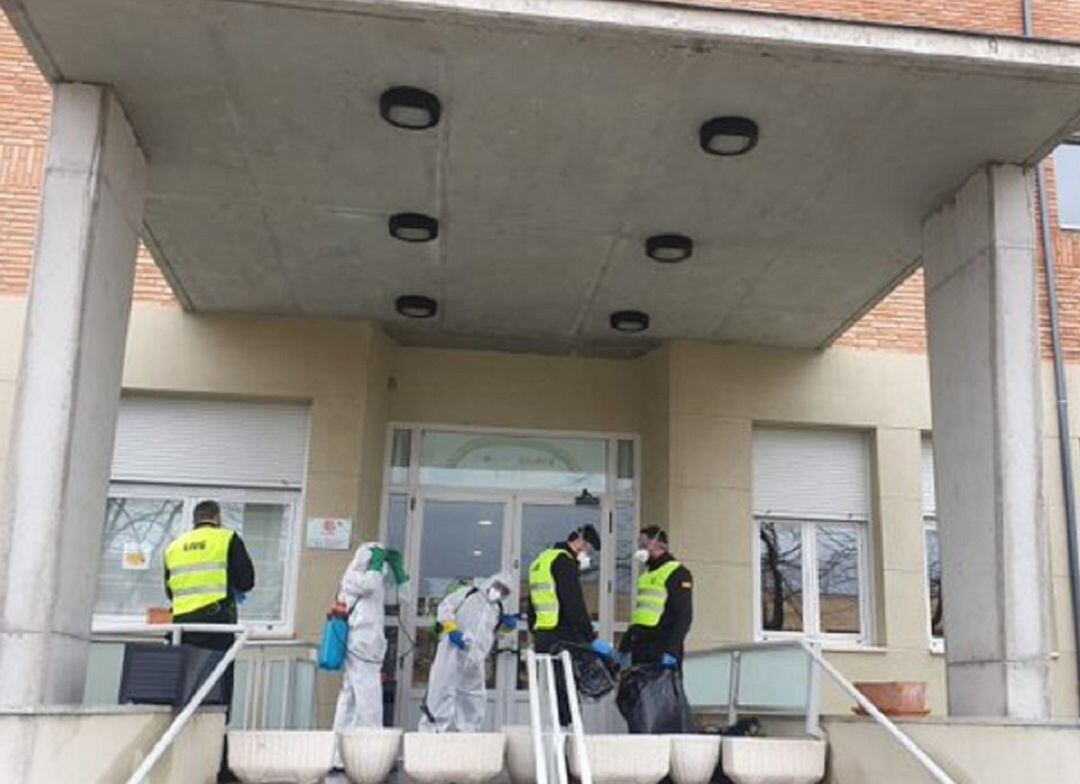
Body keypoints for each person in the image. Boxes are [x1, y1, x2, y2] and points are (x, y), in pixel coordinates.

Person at [164, 499, 255, 783]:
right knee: (219, 691)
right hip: (216, 627)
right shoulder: (227, 538)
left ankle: (183, 760)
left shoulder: (174, 546)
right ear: (217, 517)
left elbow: (170, 591)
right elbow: (247, 580)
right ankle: (215, 763)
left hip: (182, 629)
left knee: (185, 693)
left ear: (195, 519)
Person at [527, 524, 607, 724]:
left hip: (544, 635)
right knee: (569, 686)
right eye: (588, 549)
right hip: (562, 635)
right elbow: (574, 603)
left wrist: (534, 630)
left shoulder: (541, 560)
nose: (587, 555)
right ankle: (568, 727)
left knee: (558, 685)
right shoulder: (564, 562)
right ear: (580, 542)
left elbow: (532, 602)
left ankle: (562, 724)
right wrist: (590, 637)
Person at [419, 572, 516, 732]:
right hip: (451, 651)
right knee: (441, 688)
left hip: (475, 658)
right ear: (490, 582)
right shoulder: (469, 594)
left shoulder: (497, 609)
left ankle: (469, 732)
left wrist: (506, 627)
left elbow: (493, 634)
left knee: (473, 695)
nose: (499, 592)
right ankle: (431, 731)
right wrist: (451, 629)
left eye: (504, 591)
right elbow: (445, 607)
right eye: (498, 587)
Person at [332, 541, 409, 731]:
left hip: (371, 642)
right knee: (367, 689)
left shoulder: (375, 581)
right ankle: (370, 735)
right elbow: (370, 585)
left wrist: (399, 574)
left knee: (352, 691)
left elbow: (401, 598)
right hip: (359, 640)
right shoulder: (352, 578)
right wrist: (376, 562)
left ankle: (341, 737)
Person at [618, 525, 693, 669]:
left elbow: (683, 616)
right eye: (639, 544)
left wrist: (671, 650)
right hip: (641, 646)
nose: (641, 549)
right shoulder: (646, 575)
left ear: (659, 544)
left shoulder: (677, 573)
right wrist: (624, 646)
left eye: (644, 544)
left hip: (661, 646)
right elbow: (639, 616)